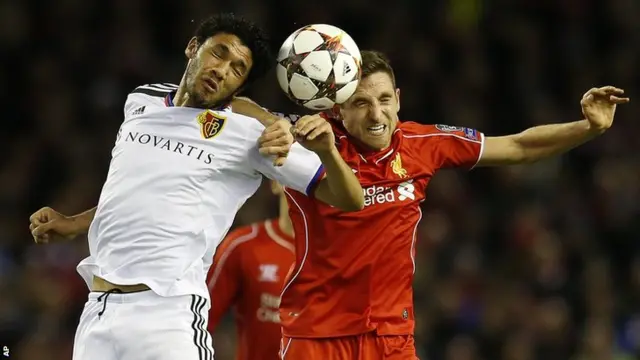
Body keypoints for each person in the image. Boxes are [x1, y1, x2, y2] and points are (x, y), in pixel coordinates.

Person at [232, 50, 629, 359]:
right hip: (316, 335)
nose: (376, 114)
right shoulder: (313, 140)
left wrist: (589, 127)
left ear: (398, 100)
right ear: (338, 109)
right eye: (361, 103)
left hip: (391, 335)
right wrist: (275, 122)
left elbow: (519, 146)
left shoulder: (423, 144)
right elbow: (236, 105)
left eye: (385, 99)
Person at [27, 14, 363, 360]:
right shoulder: (141, 102)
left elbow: (350, 198)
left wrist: (312, 143)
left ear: (239, 88)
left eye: (237, 69)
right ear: (193, 47)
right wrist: (74, 223)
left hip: (168, 317)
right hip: (97, 312)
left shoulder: (253, 134)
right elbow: (134, 192)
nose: (222, 70)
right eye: (219, 53)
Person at [207, 181, 294, 360]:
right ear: (275, 182)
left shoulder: (340, 253)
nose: (304, 184)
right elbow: (200, 319)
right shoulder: (242, 246)